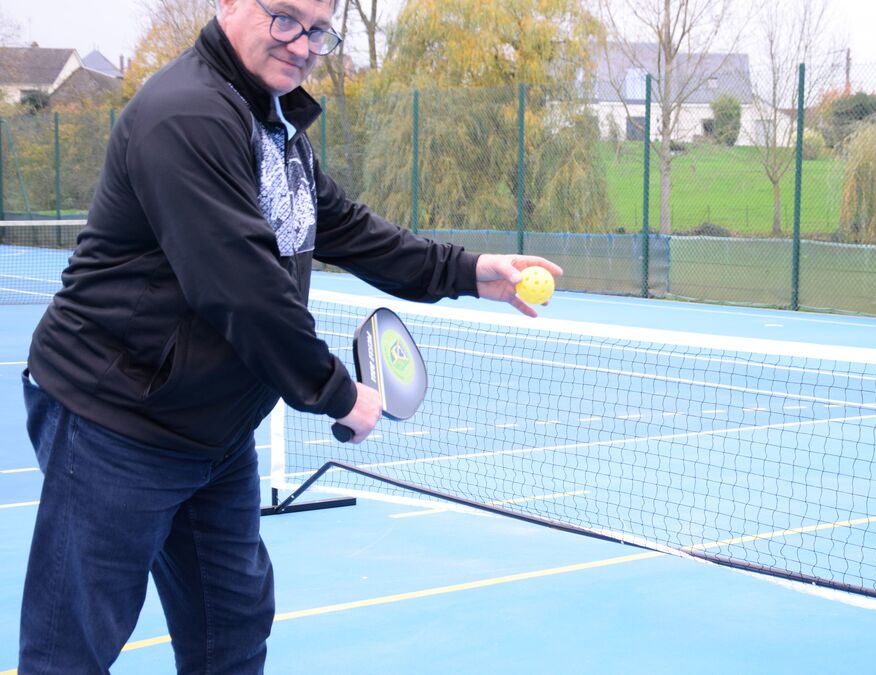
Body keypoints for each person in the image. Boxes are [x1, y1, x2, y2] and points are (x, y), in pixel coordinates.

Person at [19, 0, 563, 671]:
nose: (302, 44)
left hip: (212, 435)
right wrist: (338, 393)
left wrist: (475, 271)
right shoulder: (185, 115)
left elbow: (352, 230)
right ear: (229, 5)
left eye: (317, 30)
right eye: (285, 18)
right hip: (112, 421)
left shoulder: (274, 128)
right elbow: (241, 290)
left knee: (233, 632)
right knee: (71, 648)